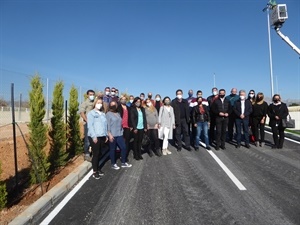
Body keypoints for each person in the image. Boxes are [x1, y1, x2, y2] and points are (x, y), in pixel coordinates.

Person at [106, 100, 132, 169]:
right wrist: (109, 134)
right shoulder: (108, 114)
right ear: (110, 106)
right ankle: (113, 163)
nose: (113, 106)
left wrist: (122, 131)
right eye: (112, 104)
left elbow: (121, 123)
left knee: (123, 147)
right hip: (112, 135)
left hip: (120, 134)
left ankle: (123, 162)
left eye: (114, 104)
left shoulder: (118, 113)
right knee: (112, 149)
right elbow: (107, 125)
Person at [87, 97, 108, 179]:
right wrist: (93, 136)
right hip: (94, 136)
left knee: (100, 153)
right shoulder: (91, 113)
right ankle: (95, 171)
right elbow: (90, 126)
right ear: (95, 103)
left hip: (102, 136)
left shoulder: (103, 114)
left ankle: (98, 168)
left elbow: (105, 125)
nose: (100, 104)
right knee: (96, 154)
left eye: (101, 103)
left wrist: (105, 135)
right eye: (98, 103)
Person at [79, 89, 95, 161]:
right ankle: (87, 154)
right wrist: (87, 120)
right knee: (87, 139)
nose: (92, 96)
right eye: (90, 95)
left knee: (94, 137)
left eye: (93, 94)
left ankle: (93, 151)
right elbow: (82, 112)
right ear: (87, 95)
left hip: (95, 124)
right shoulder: (85, 103)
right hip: (88, 124)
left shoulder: (95, 102)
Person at [118, 95, 132, 162]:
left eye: (124, 99)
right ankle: (120, 154)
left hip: (127, 126)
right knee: (121, 142)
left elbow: (130, 118)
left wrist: (131, 125)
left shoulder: (128, 108)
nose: (123, 100)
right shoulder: (118, 107)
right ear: (120, 100)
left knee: (127, 141)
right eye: (122, 99)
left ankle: (124, 155)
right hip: (120, 126)